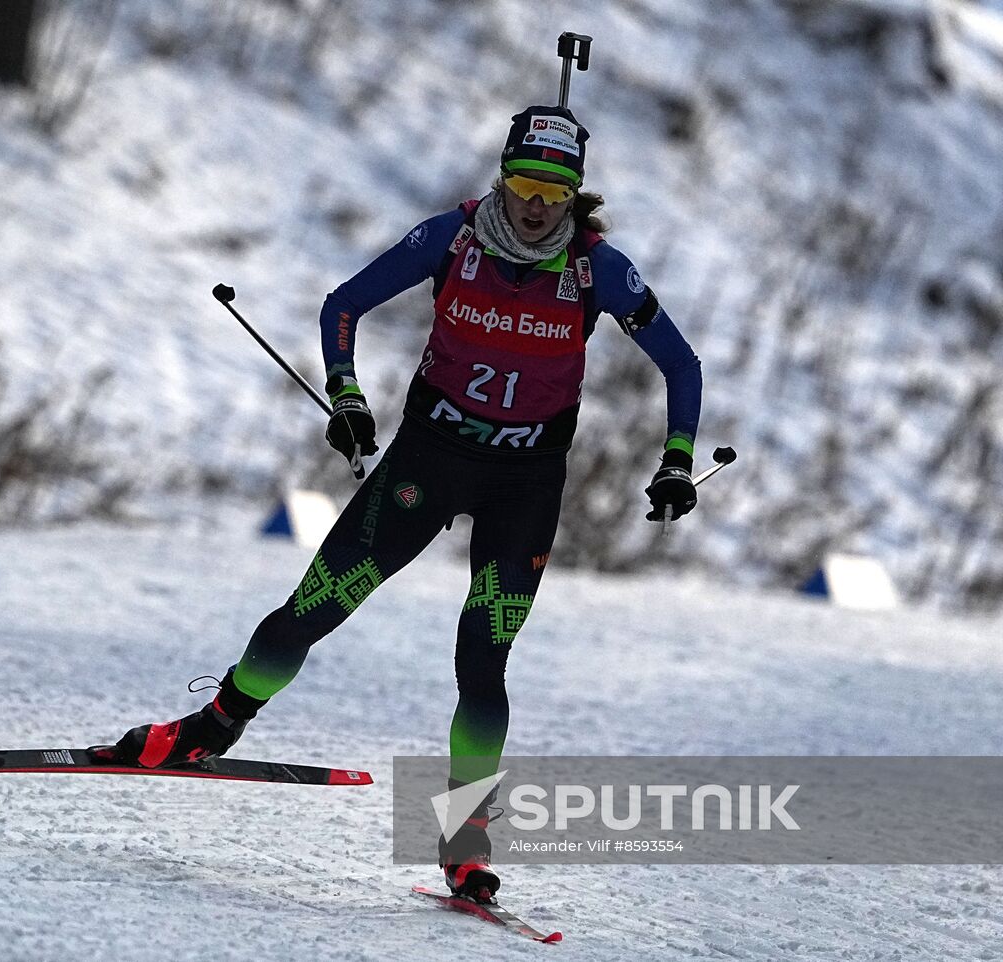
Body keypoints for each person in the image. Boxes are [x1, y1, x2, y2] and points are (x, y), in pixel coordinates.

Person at [93, 105, 703, 902]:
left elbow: (681, 365)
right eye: (523, 183)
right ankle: (210, 728)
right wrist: (345, 398)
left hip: (526, 483)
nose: (535, 204)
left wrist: (677, 463)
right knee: (312, 609)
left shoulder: (598, 271)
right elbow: (342, 305)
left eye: (554, 191)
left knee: (483, 665)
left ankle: (465, 841)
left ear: (575, 196)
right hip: (428, 462)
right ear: (501, 179)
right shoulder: (449, 240)